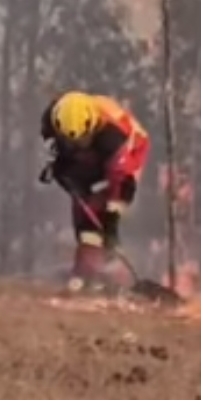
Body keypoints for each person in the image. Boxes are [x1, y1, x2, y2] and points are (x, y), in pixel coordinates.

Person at [38, 90, 151, 293]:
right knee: (83, 209)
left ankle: (108, 269)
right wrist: (60, 167)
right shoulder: (53, 119)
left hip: (130, 151)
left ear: (92, 126)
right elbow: (52, 146)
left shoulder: (114, 137)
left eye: (78, 141)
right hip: (91, 153)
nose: (73, 145)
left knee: (100, 205)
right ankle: (88, 269)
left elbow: (121, 184)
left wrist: (111, 220)